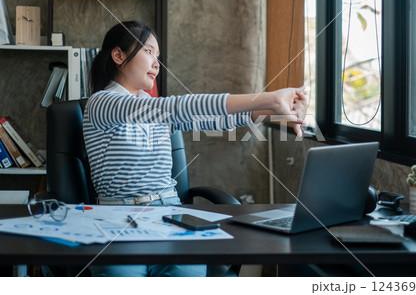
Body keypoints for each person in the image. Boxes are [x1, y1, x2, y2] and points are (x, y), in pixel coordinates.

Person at [83, 20, 307, 277]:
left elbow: (215, 120)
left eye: (158, 56)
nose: (157, 63)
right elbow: (180, 106)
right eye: (148, 51)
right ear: (118, 55)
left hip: (169, 213)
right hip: (117, 220)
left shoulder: (150, 104)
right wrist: (269, 97)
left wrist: (274, 111)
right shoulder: (101, 102)